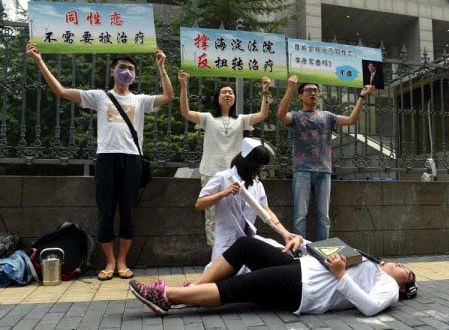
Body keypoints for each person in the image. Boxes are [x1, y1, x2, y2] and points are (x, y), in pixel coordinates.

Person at [26, 42, 174, 281]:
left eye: (131, 69)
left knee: (128, 212)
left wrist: (161, 66)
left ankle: (123, 261)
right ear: (112, 71)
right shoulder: (100, 97)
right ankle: (110, 261)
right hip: (106, 158)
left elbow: (168, 96)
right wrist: (38, 60)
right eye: (122, 67)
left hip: (133, 159)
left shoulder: (141, 100)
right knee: (105, 211)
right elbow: (61, 92)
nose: (127, 72)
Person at [129, 236, 418, 317]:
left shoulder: (388, 287)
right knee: (247, 246)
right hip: (303, 266)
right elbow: (327, 251)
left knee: (239, 287)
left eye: (406, 271)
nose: (399, 265)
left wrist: (342, 275)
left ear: (404, 285)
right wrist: (303, 242)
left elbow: (368, 307)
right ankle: (195, 290)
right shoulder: (370, 261)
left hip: (305, 289)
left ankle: (168, 297)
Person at [178, 70, 270, 247]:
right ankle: (215, 253)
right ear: (217, 97)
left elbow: (263, 115)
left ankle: (236, 251)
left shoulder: (241, 119)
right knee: (211, 214)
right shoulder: (207, 118)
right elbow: (185, 111)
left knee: (238, 212)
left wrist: (265, 91)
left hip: (235, 174)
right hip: (210, 171)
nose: (228, 95)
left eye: (231, 92)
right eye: (224, 92)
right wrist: (183, 86)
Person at [278, 76, 375, 241]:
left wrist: (362, 97)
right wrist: (289, 89)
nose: (312, 93)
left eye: (315, 91)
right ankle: (300, 251)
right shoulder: (295, 116)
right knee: (300, 215)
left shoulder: (327, 116)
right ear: (300, 96)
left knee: (324, 216)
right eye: (308, 91)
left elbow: (352, 119)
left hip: (324, 170)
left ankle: (323, 251)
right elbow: (281, 116)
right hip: (302, 170)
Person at [195, 137, 301, 271]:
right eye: (259, 166)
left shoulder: (257, 184)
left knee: (281, 257)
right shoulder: (223, 177)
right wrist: (222, 194)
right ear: (249, 163)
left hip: (249, 242)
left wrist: (284, 233)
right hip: (227, 243)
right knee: (221, 282)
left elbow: (266, 211)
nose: (261, 170)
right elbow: (199, 204)